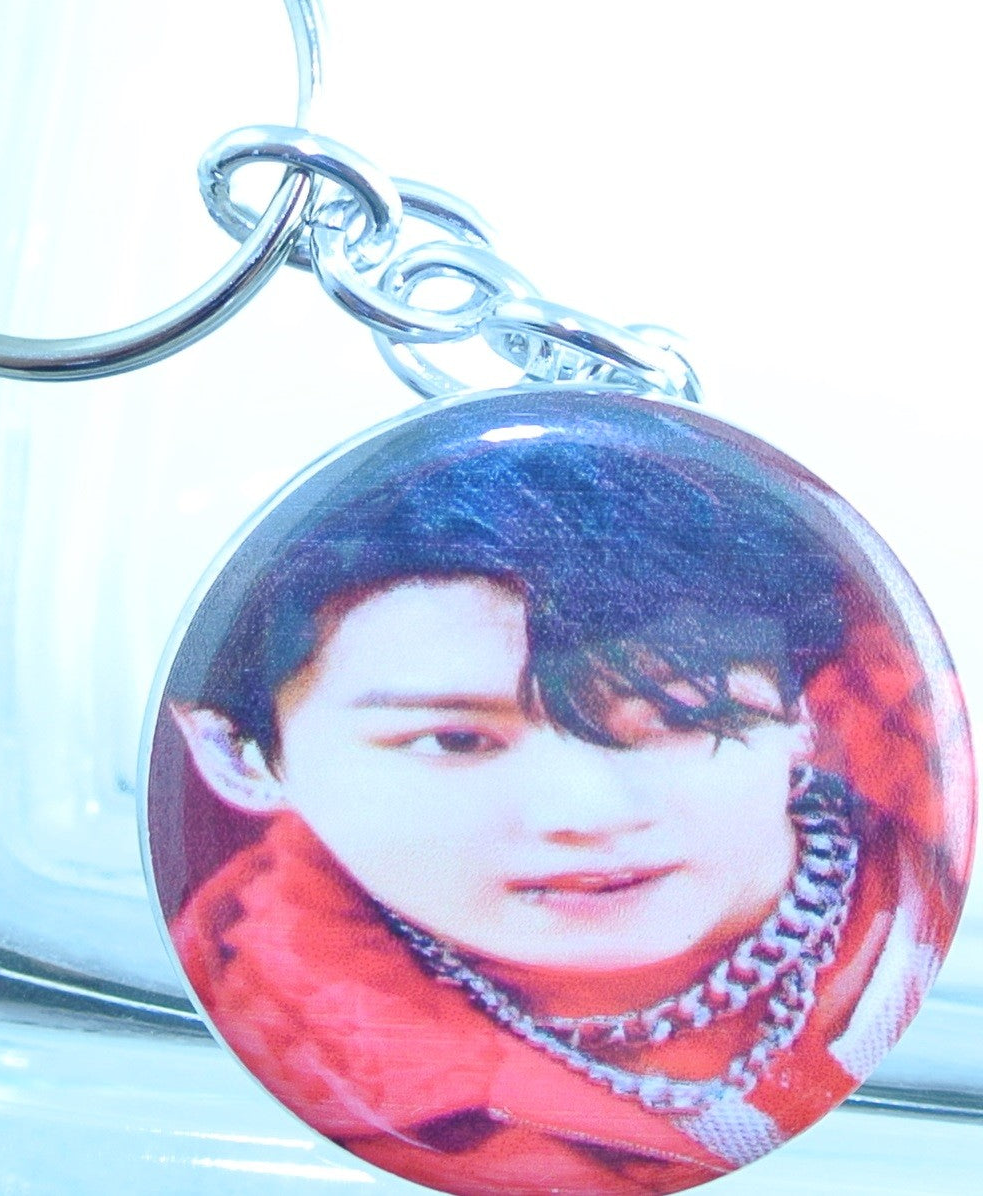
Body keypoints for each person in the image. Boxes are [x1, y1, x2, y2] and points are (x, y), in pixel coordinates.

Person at [154, 397, 965, 1196]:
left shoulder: (939, 896)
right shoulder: (203, 1049)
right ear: (239, 755)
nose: (587, 814)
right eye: (456, 741)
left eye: (681, 717)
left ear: (805, 714)